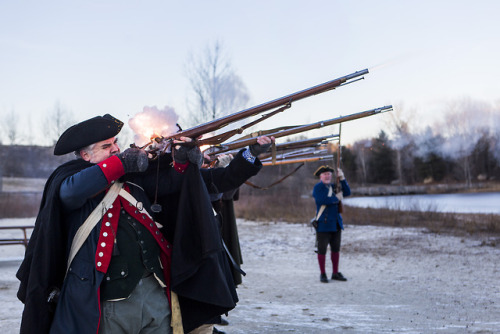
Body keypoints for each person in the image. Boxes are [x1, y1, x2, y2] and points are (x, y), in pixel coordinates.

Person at [16, 114, 274, 334]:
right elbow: (73, 191)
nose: (115, 149)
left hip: (154, 292)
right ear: (85, 155)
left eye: (115, 143)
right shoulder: (71, 180)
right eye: (107, 146)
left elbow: (176, 183)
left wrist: (182, 160)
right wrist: (122, 162)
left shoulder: (134, 177)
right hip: (104, 298)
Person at [312, 165, 351, 283]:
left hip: (336, 223)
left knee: (336, 249)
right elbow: (321, 200)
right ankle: (323, 274)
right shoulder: (318, 187)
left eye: (329, 174)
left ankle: (335, 273)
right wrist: (336, 198)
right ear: (320, 176)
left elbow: (348, 192)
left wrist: (342, 178)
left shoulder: (334, 186)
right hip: (323, 223)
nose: (327, 176)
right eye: (325, 174)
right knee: (322, 250)